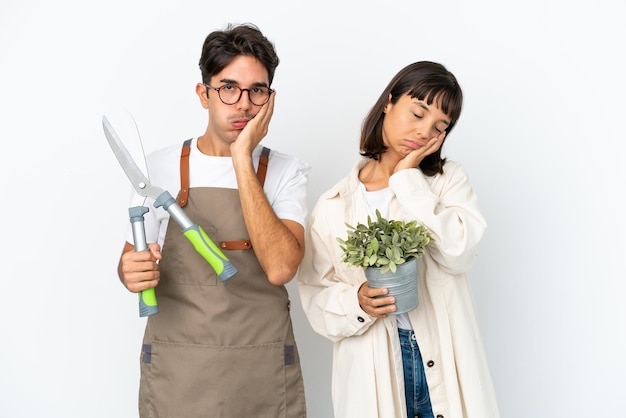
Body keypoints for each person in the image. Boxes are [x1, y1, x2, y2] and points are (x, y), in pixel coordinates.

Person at [117, 23, 309, 417]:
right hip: (178, 370)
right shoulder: (157, 168)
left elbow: (281, 267)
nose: (243, 103)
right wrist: (130, 271)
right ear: (204, 94)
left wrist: (242, 158)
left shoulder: (287, 171)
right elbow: (131, 263)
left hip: (261, 368)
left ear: (270, 99)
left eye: (257, 90)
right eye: (228, 87)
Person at [297, 61, 499, 418]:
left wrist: (408, 181)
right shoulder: (333, 204)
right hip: (371, 366)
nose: (424, 132)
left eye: (440, 126)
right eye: (418, 113)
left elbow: (460, 253)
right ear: (389, 102)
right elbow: (316, 299)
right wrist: (357, 302)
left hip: (442, 355)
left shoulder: (446, 181)